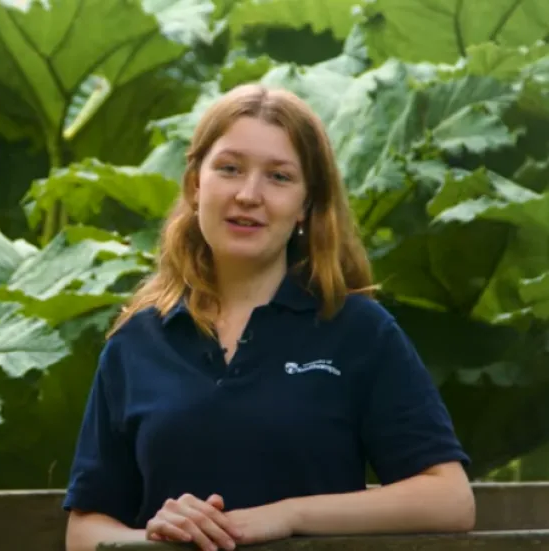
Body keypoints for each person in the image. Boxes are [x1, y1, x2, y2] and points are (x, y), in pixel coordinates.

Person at [61, 83, 475, 551]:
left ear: (306, 204)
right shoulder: (136, 342)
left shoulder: (358, 330)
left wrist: (287, 517)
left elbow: (450, 498)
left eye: (279, 177)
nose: (248, 194)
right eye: (230, 169)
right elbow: (86, 529)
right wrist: (157, 537)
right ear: (197, 184)